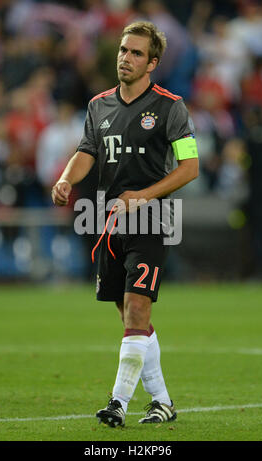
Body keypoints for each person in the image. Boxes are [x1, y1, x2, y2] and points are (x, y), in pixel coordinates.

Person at [51, 21, 199, 427]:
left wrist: (144, 195)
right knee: (132, 318)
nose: (126, 58)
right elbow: (87, 151)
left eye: (136, 53)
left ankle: (117, 403)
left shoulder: (171, 107)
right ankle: (163, 401)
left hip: (151, 218)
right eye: (122, 50)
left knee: (136, 309)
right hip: (107, 220)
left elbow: (190, 168)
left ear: (152, 63)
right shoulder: (98, 105)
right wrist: (66, 178)